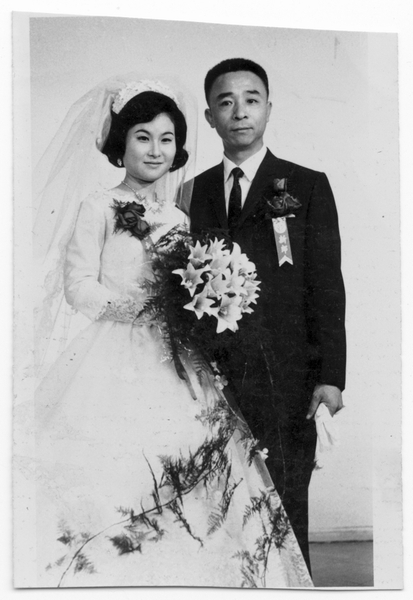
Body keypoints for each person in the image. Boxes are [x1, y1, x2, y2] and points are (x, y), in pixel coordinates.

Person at [27, 77, 314, 588]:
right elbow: (78, 286)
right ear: (121, 143)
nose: (155, 150)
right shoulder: (98, 207)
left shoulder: (179, 215)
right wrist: (130, 307)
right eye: (143, 137)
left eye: (166, 139)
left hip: (177, 358)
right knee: (119, 471)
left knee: (188, 464)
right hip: (114, 356)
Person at [189, 58, 346, 572]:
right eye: (225, 102)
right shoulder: (193, 191)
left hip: (288, 374)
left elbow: (327, 284)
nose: (240, 112)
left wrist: (331, 376)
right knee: (220, 508)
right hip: (215, 376)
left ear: (269, 109)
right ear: (210, 116)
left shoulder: (307, 184)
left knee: (285, 506)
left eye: (251, 99)